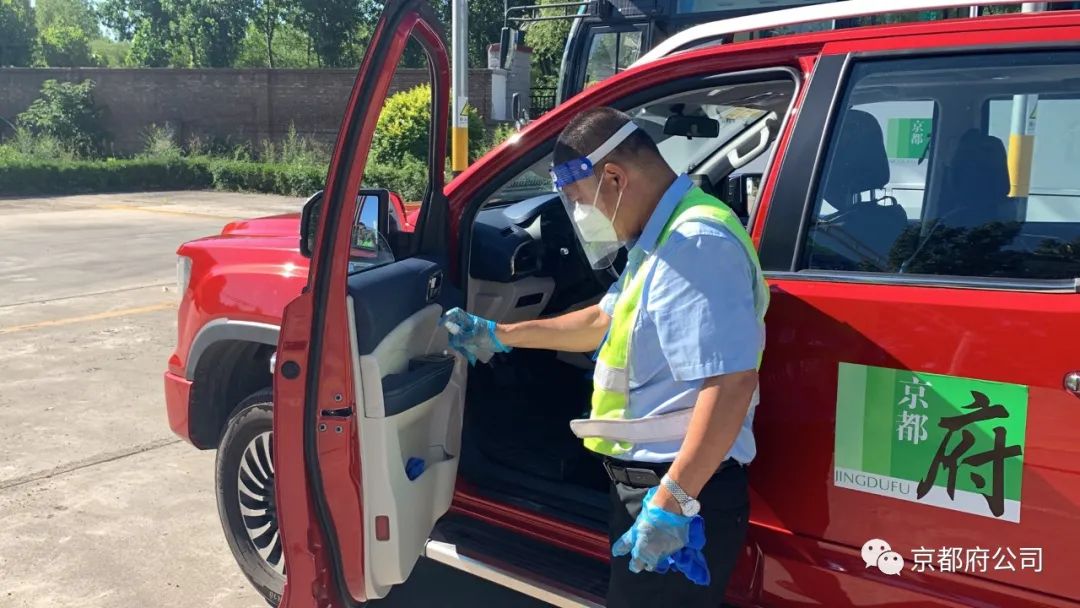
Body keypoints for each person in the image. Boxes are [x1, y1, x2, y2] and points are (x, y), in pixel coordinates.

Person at [442, 106, 768, 607]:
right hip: (658, 490)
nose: (576, 215)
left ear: (614, 177)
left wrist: (673, 502)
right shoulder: (659, 237)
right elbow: (603, 320)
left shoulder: (695, 243)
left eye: (576, 199)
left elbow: (730, 384)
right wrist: (501, 333)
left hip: (680, 494)